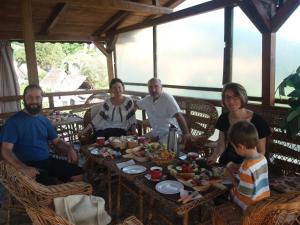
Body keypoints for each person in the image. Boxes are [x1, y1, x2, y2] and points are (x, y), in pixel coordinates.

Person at [0, 84, 83, 185]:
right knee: (48, 187)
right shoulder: (13, 122)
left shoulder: (44, 120)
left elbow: (57, 142)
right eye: (30, 98)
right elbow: (6, 150)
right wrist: (23, 168)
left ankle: (65, 196)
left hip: (47, 161)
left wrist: (69, 148)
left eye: (37, 98)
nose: (34, 101)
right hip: (27, 165)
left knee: (78, 174)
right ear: (24, 99)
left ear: (41, 99)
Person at [207, 82, 270, 166]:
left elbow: (261, 152)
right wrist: (214, 157)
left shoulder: (258, 121)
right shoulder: (223, 118)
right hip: (228, 162)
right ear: (223, 100)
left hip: (251, 165)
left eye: (236, 97)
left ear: (242, 98)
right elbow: (221, 145)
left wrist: (243, 167)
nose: (231, 101)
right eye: (227, 97)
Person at [226, 121, 270, 210]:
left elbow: (243, 195)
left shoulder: (246, 167)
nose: (234, 150)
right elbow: (253, 177)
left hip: (250, 208)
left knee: (229, 192)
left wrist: (230, 176)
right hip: (263, 202)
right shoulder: (262, 158)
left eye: (234, 147)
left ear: (241, 147)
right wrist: (238, 166)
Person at [136, 78, 191, 144]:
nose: (153, 90)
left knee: (156, 147)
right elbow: (136, 104)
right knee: (139, 141)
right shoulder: (148, 99)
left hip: (171, 133)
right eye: (150, 87)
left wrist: (186, 134)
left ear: (161, 87)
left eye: (156, 86)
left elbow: (179, 116)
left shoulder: (167, 98)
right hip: (156, 132)